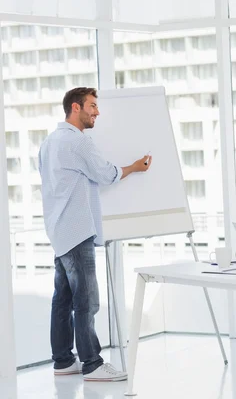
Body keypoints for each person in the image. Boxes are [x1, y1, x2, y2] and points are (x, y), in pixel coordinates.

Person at [39, 87, 152, 381]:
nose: (97, 112)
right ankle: (92, 364)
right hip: (76, 230)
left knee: (62, 298)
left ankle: (63, 360)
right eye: (92, 106)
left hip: (59, 229)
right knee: (86, 300)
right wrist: (135, 167)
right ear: (75, 108)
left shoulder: (49, 142)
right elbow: (105, 173)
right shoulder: (77, 142)